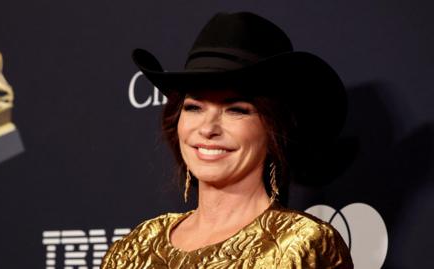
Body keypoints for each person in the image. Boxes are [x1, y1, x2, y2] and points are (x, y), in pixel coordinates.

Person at [101, 12, 353, 268]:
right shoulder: (134, 249)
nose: (208, 128)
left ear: (273, 127)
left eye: (236, 110)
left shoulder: (302, 244)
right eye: (194, 108)